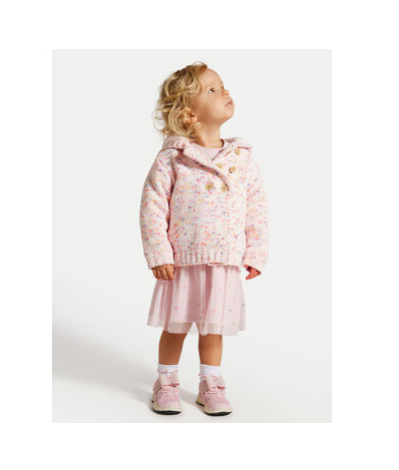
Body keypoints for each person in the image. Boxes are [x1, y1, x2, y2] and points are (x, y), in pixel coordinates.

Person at [139, 61, 269, 416]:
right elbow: (152, 205)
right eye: (212, 90)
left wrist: (255, 251)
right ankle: (166, 382)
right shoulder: (173, 158)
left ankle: (210, 384)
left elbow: (256, 205)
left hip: (224, 259)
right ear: (190, 115)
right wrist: (159, 253)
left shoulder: (241, 158)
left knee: (214, 329)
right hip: (182, 261)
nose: (224, 91)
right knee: (176, 326)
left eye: (222, 85)